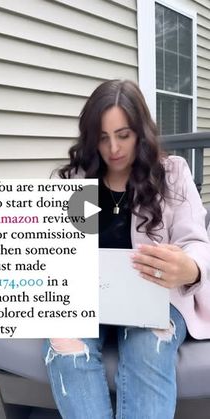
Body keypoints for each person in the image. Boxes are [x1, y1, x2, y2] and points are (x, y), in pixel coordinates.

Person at [43, 79, 210, 419]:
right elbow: (54, 254)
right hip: (88, 298)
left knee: (149, 344)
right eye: (103, 138)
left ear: (141, 132)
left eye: (123, 135)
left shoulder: (173, 173)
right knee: (64, 343)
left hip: (156, 296)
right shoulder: (74, 181)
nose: (113, 149)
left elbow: (197, 244)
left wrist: (189, 267)